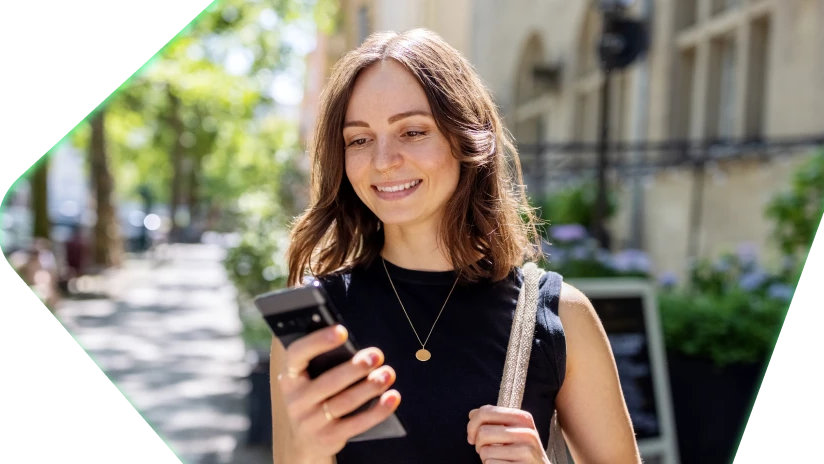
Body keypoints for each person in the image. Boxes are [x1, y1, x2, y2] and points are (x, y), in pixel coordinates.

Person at [271, 29, 640, 464]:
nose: (383, 160)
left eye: (412, 131)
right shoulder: (314, 329)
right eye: (359, 139)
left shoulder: (559, 317)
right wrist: (307, 452)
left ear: (465, 137)